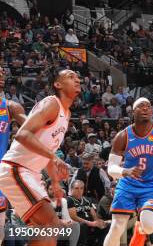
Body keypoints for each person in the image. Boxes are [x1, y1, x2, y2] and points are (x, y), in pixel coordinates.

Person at [0, 69, 78, 246]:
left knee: (51, 229)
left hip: (30, 172)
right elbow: (22, 134)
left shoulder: (66, 114)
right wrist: (55, 157)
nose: (78, 80)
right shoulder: (51, 103)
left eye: (77, 77)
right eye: (70, 77)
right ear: (57, 84)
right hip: (15, 168)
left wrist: (55, 183)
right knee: (49, 225)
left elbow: (48, 150)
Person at [103, 97, 153, 246]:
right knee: (117, 227)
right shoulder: (123, 135)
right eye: (141, 106)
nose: (145, 108)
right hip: (127, 185)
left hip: (151, 185)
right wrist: (125, 171)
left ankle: (140, 230)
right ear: (133, 112)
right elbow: (111, 168)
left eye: (148, 106)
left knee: (149, 226)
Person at [0, 67, 26, 243]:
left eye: (2, 72)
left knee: (1, 225)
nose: (2, 75)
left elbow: (34, 130)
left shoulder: (9, 106)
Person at [67, 180, 108, 245]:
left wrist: (98, 222)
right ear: (71, 189)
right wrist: (91, 223)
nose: (79, 190)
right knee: (82, 226)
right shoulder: (69, 200)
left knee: (106, 225)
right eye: (76, 188)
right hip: (79, 226)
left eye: (81, 188)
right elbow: (73, 217)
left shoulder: (87, 200)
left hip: (90, 224)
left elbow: (94, 215)